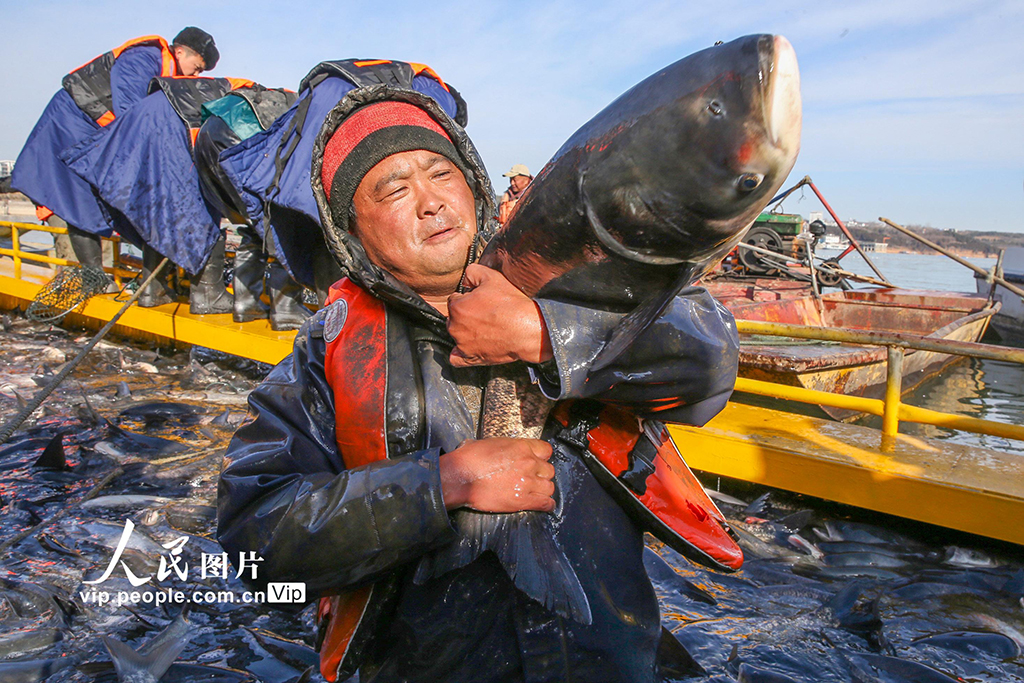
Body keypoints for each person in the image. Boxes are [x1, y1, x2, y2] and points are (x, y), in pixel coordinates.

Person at [217, 90, 739, 683]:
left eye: (443, 173)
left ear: (473, 184)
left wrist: (544, 335)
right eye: (393, 189)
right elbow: (255, 545)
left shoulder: (577, 281)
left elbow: (709, 369)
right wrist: (437, 487)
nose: (431, 202)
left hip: (603, 659)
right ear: (352, 233)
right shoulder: (327, 353)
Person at [11, 28, 219, 272]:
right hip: (70, 128)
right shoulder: (143, 58)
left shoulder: (167, 73)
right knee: (77, 200)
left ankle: (115, 274)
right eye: (197, 67)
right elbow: (132, 115)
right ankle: (92, 277)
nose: (196, 74)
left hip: (94, 134)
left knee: (100, 202)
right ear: (181, 51)